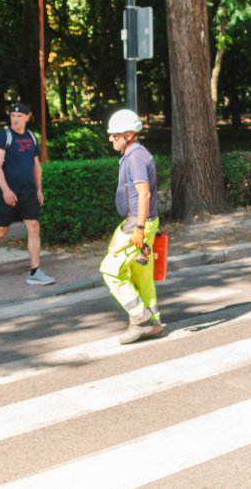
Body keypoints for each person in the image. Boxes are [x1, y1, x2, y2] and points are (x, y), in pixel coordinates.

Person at [0, 103, 54, 286]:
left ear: (27, 117)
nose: (15, 119)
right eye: (12, 116)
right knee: (0, 232)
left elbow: (36, 165)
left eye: (19, 116)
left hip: (29, 193)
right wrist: (6, 190)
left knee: (34, 227)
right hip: (7, 194)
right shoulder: (2, 137)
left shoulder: (31, 137)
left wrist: (39, 189)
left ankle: (34, 272)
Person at [101, 109, 162, 345]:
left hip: (137, 223)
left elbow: (144, 194)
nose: (111, 139)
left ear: (129, 134)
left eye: (115, 136)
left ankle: (141, 319)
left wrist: (138, 229)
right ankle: (154, 323)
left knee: (111, 270)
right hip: (144, 221)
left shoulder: (135, 156)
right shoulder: (135, 153)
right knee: (141, 275)